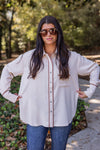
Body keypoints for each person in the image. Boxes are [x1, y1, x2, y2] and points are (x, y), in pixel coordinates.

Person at [0, 15, 99, 150]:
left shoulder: (71, 58)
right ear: (40, 35)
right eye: (44, 31)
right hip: (35, 116)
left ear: (58, 32)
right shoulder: (29, 57)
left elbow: (94, 68)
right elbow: (7, 70)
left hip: (62, 116)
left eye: (52, 30)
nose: (48, 34)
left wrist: (90, 91)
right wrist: (8, 94)